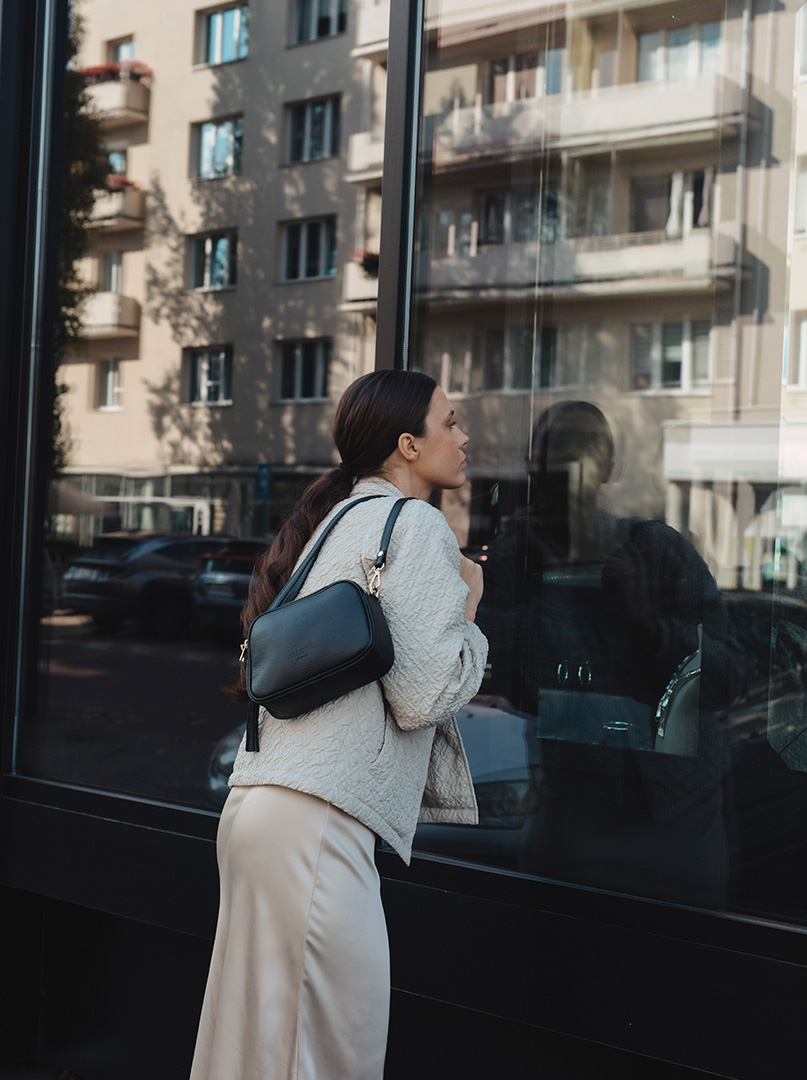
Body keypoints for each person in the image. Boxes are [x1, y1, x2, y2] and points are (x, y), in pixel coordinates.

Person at [189, 370, 488, 1080]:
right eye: (450, 422)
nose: (464, 436)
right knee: (329, 1057)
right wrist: (471, 613)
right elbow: (424, 695)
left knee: (251, 1052)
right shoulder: (413, 523)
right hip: (316, 829)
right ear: (408, 445)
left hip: (260, 810)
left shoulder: (335, 519)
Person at [479, 401, 744, 906]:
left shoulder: (660, 551)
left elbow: (728, 678)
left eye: (584, 445)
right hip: (578, 810)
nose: (570, 461)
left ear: (610, 465)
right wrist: (534, 575)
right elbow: (513, 684)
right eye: (556, 447)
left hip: (676, 818)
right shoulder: (520, 560)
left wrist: (648, 625)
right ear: (537, 466)